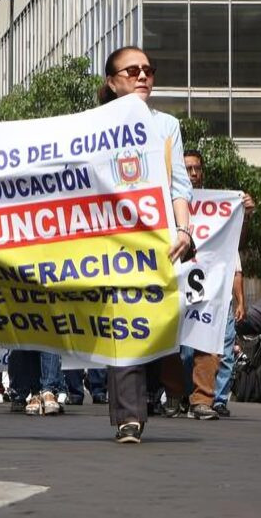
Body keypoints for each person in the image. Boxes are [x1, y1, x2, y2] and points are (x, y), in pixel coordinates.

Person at [96, 47, 194, 444]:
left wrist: (184, 231)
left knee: (149, 327)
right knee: (122, 325)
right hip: (109, 242)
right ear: (112, 81)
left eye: (148, 70)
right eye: (132, 70)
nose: (142, 76)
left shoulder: (167, 126)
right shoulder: (93, 125)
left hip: (157, 244)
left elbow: (179, 186)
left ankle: (136, 405)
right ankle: (129, 418)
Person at [182, 149, 254, 418]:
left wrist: (245, 214)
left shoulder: (218, 205)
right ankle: (177, 395)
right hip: (178, 285)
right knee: (181, 350)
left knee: (212, 344)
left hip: (210, 289)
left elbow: (237, 247)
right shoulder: (168, 200)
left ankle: (207, 399)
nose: (193, 174)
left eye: (196, 169)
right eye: (187, 169)